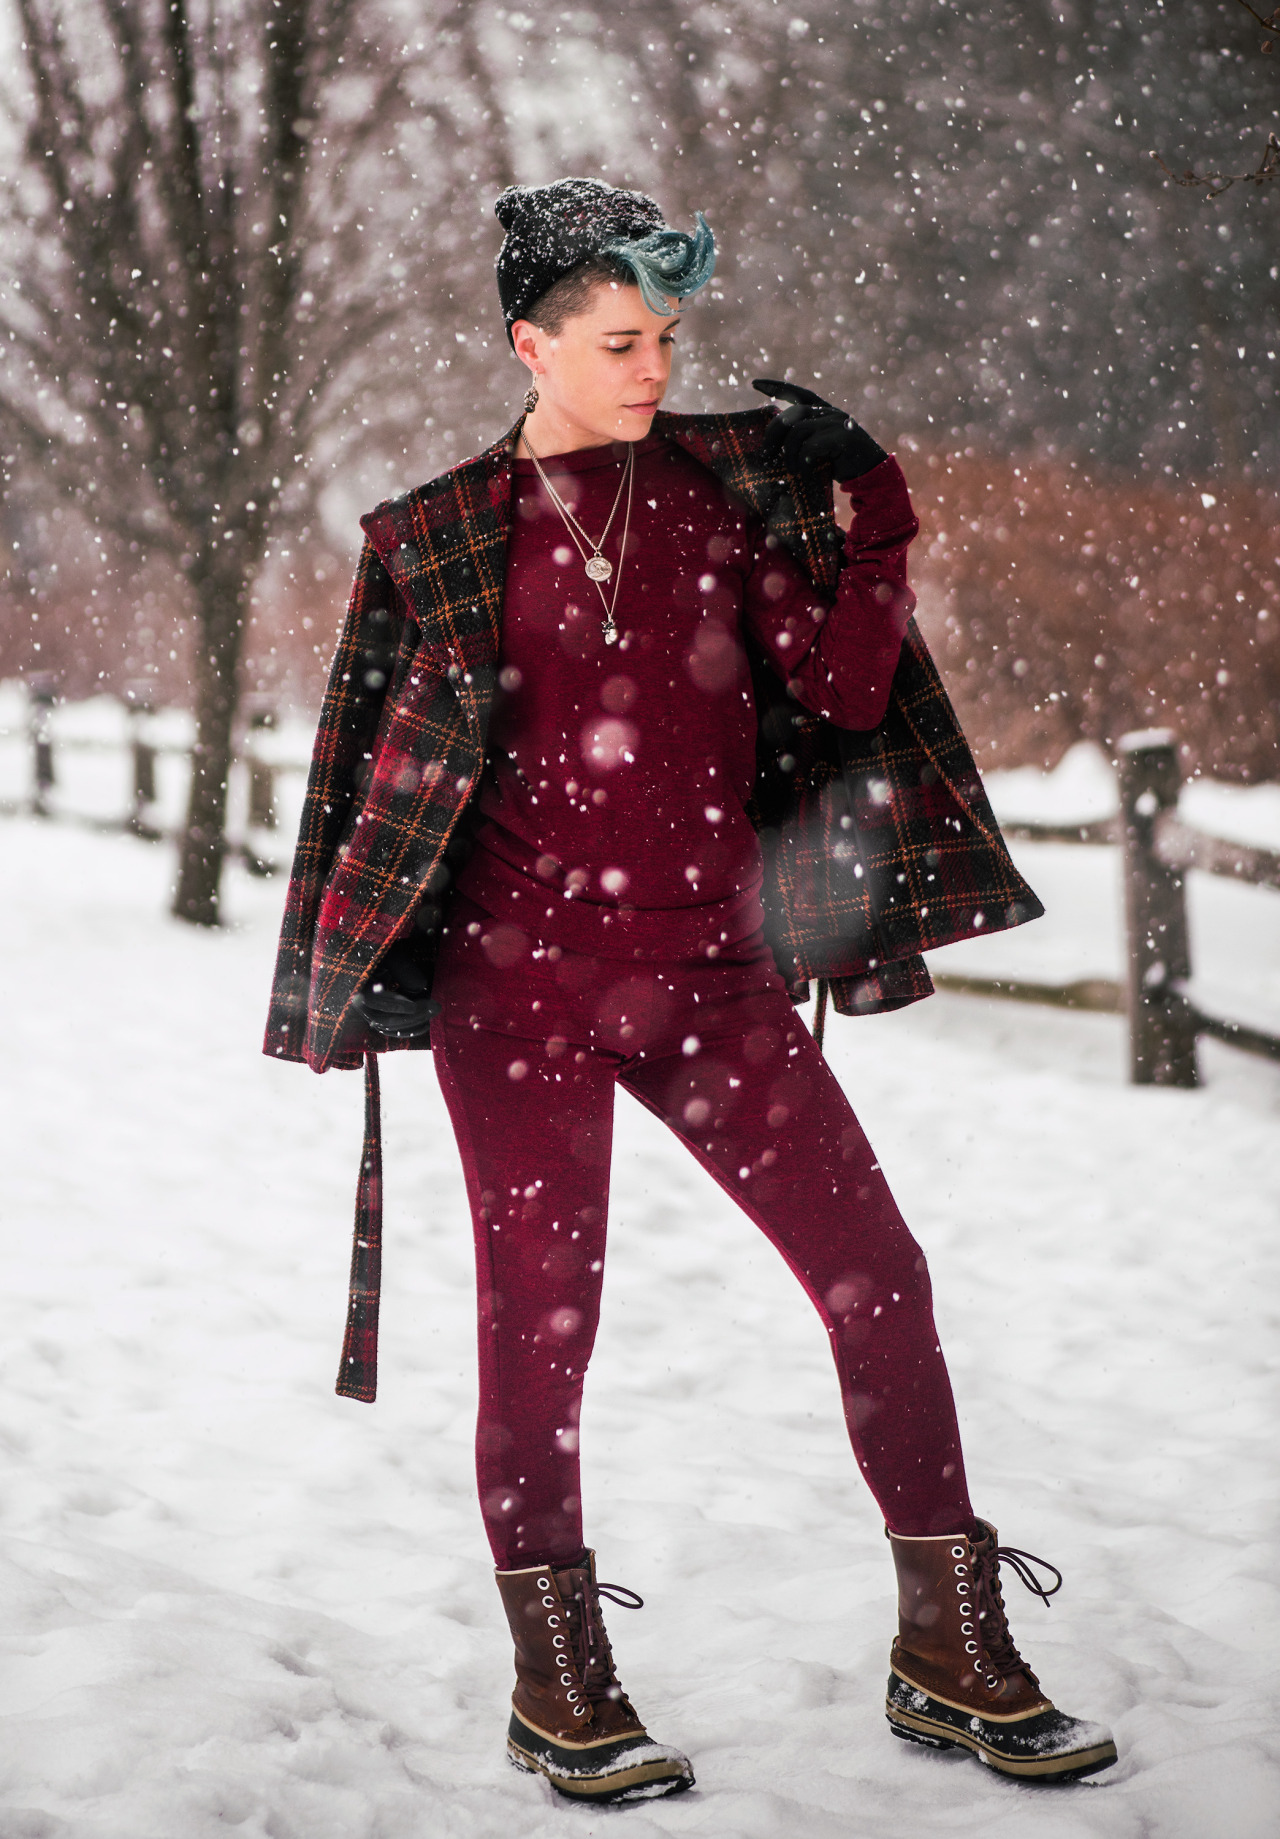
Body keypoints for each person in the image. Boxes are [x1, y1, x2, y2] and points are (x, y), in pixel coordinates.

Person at [265, 177, 1117, 1804]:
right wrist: (354, 969)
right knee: (543, 1333)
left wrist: (878, 515)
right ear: (532, 344)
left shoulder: (731, 494)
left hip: (717, 983)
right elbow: (364, 772)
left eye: (667, 335)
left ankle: (949, 1644)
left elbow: (848, 690)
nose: (654, 364)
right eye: (618, 338)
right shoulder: (441, 540)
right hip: (518, 1000)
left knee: (881, 1277)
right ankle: (559, 1682)